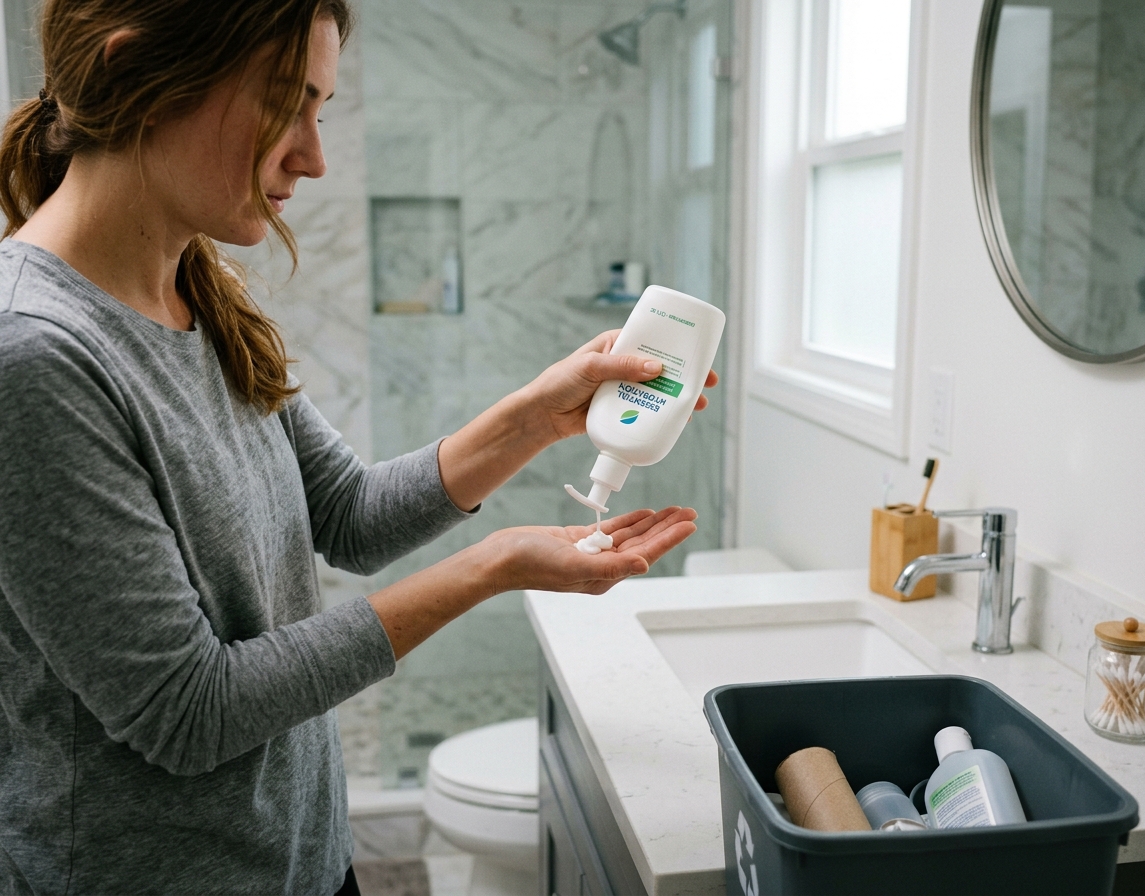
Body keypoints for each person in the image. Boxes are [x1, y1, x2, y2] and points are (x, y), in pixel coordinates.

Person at [0, 1, 713, 893]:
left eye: (320, 110)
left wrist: (540, 412)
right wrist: (489, 567)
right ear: (132, 74)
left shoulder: (198, 287)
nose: (313, 155)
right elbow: (186, 711)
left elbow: (348, 515)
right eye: (281, 102)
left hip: (301, 853)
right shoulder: (34, 354)